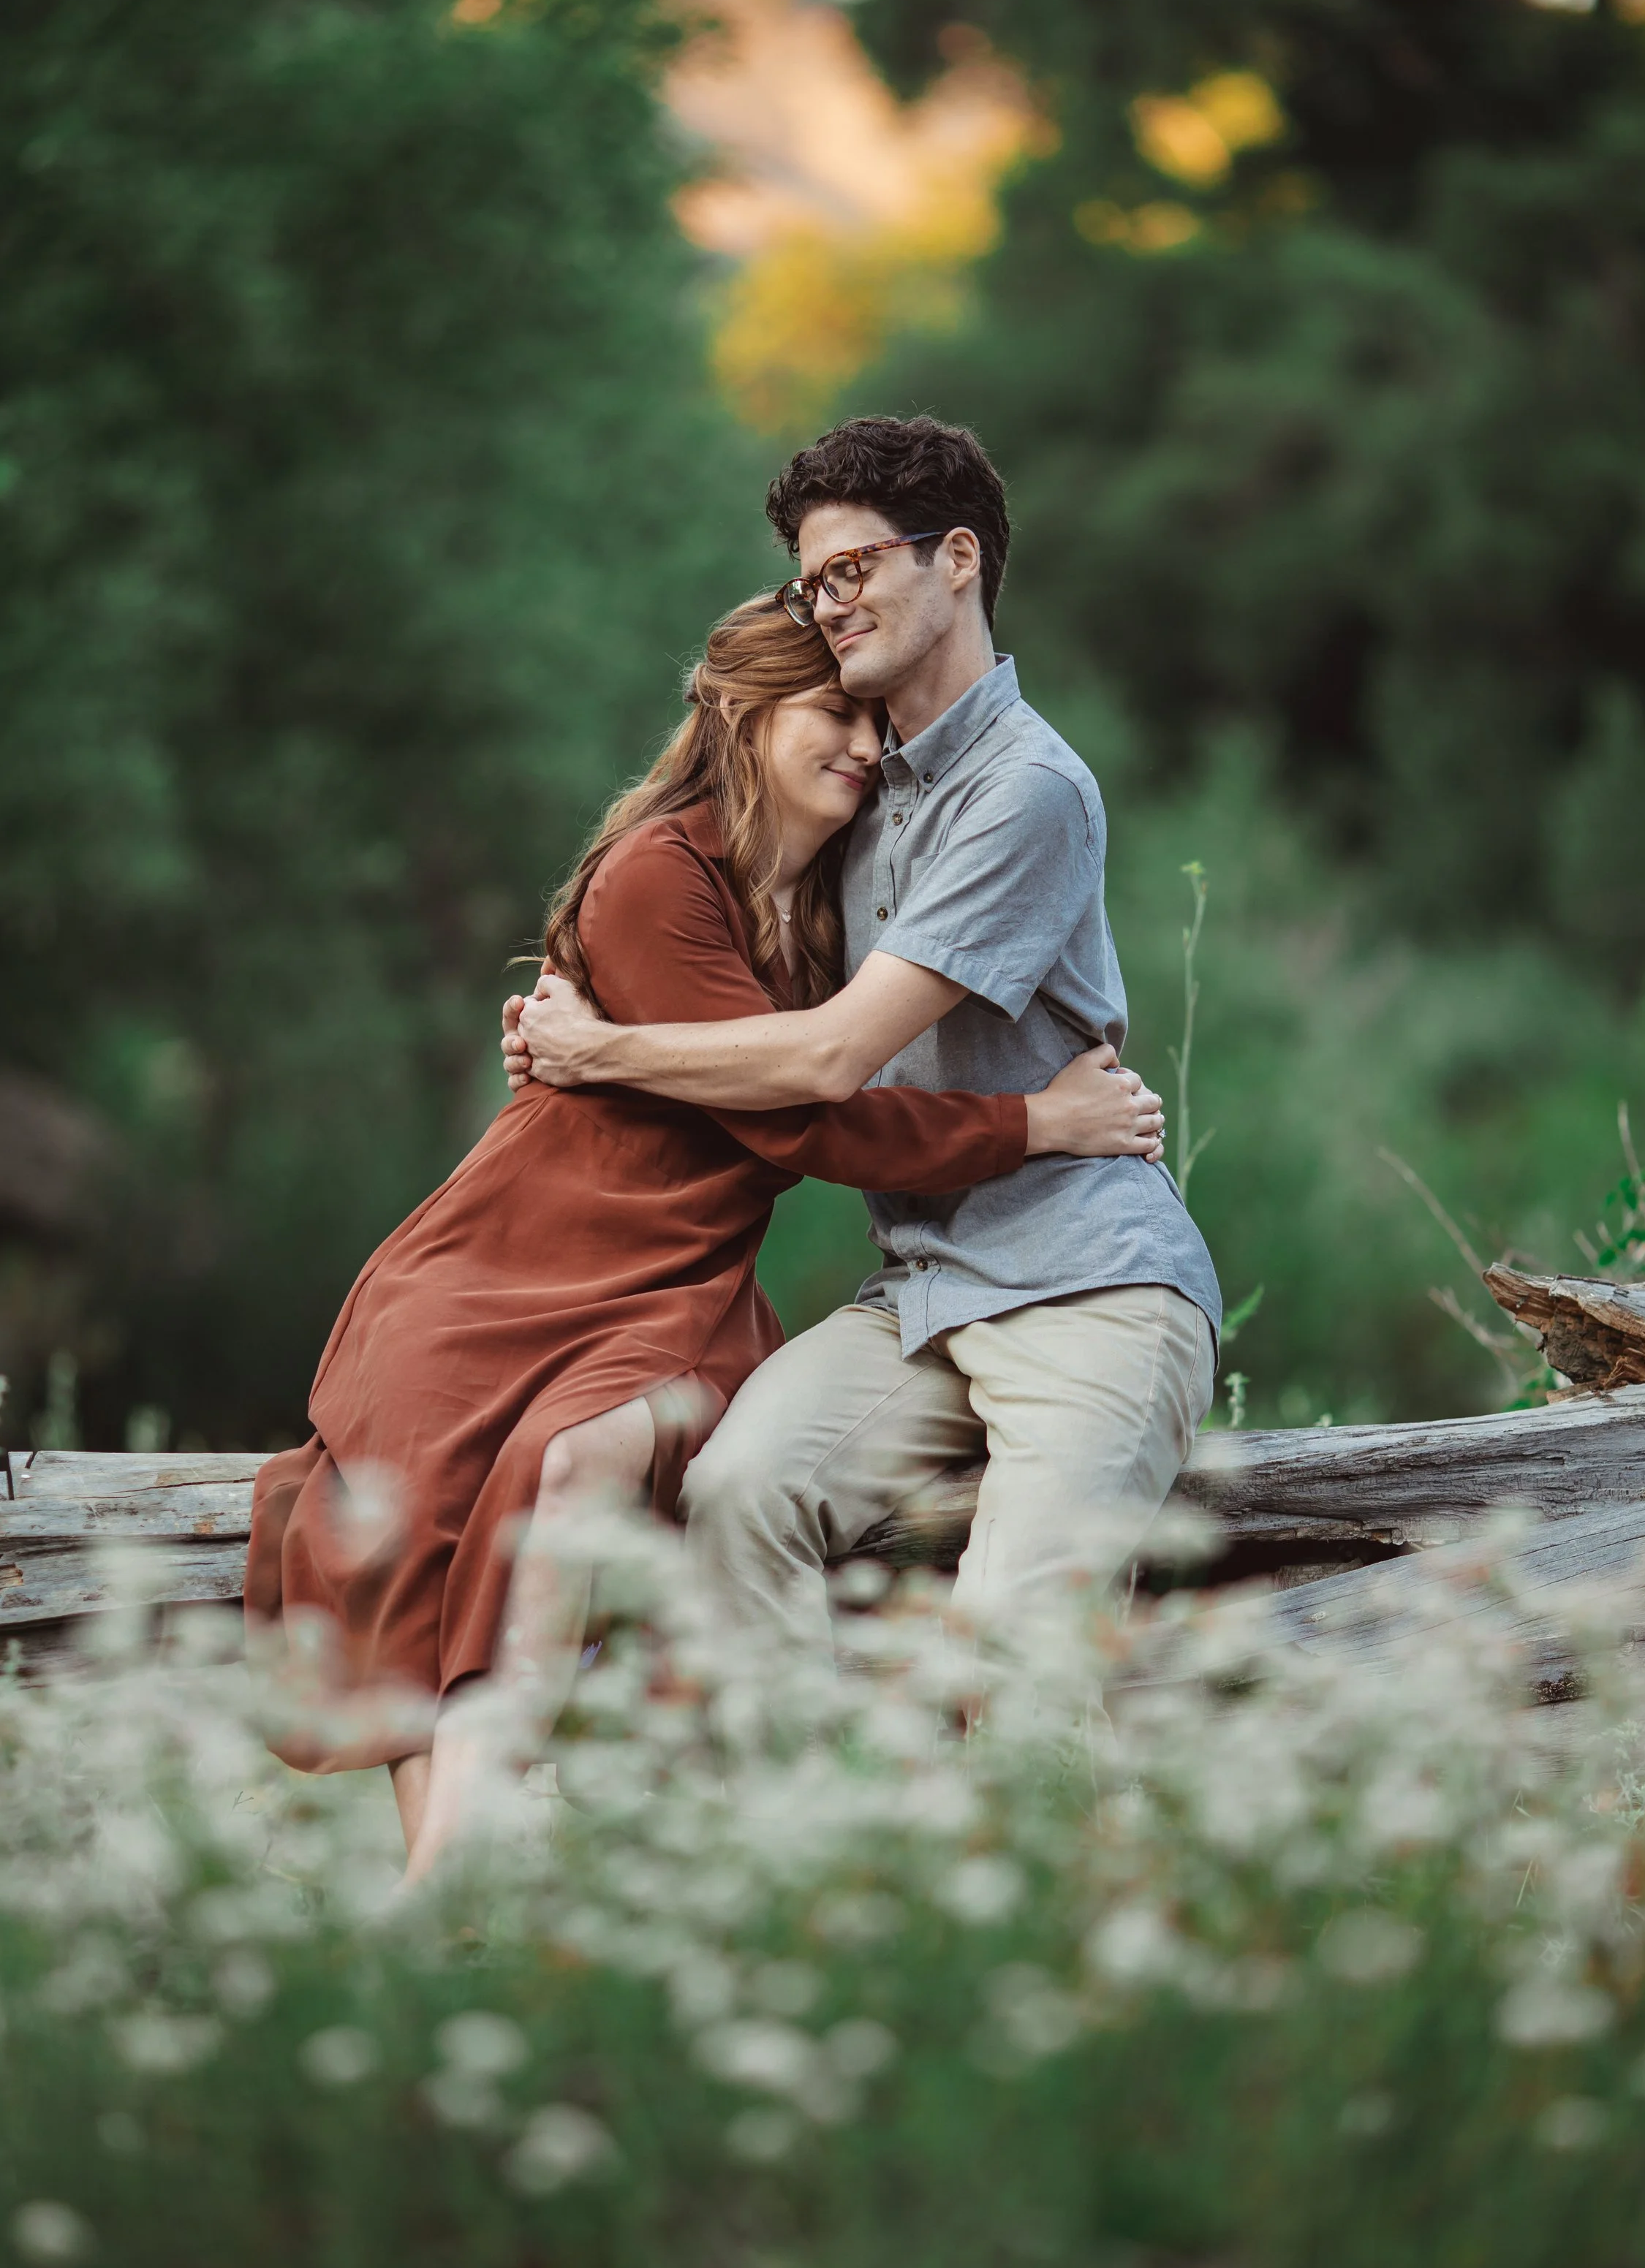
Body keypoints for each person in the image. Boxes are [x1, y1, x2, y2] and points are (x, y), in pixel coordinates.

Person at [246, 593, 1165, 1880]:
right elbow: (811, 1126)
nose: (860, 741)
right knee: (432, 1516)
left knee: (582, 1463)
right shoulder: (656, 873)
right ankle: (458, 1881)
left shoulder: (842, 892)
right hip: (510, 1263)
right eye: (830, 711)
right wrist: (1037, 1123)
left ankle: (495, 1878)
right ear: (742, 714)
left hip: (673, 1280)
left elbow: (831, 1082)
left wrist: (606, 1047)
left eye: (870, 717)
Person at [507, 415, 1222, 1658]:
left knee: (1016, 1635)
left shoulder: (1028, 791)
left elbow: (832, 1057)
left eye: (855, 570)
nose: (830, 603)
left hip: (1089, 1283)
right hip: (922, 1290)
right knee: (733, 1500)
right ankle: (818, 1840)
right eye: (812, 579)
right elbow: (719, 933)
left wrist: (603, 1049)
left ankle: (1038, 1850)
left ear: (957, 560)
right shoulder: (861, 784)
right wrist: (583, 993)